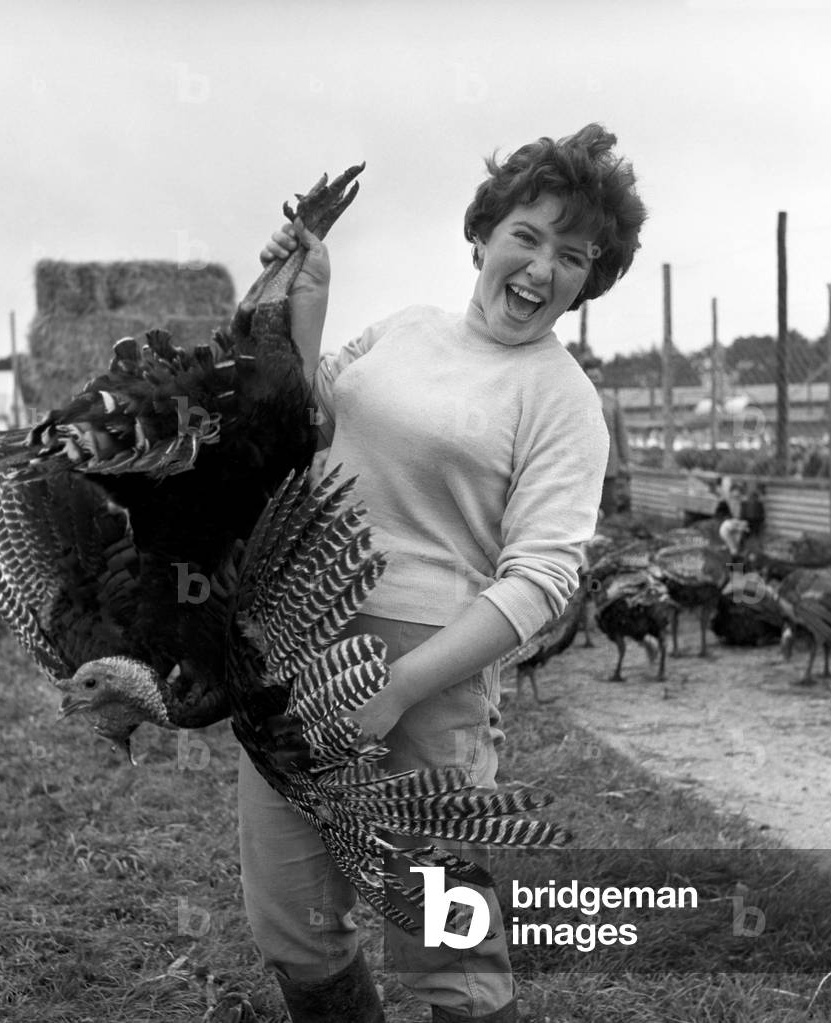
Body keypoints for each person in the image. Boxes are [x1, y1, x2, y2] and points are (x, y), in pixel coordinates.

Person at [240, 125, 648, 1023]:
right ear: (483, 234)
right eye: (527, 236)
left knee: (447, 948)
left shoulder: (561, 399)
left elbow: (541, 580)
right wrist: (305, 302)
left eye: (573, 256)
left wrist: (396, 690)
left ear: (590, 280)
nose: (541, 269)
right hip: (298, 650)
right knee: (293, 923)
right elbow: (296, 425)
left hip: (427, 676)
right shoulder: (402, 331)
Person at [580, 354, 630, 518]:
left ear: (601, 376)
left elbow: (621, 432)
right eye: (590, 376)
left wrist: (625, 460)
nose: (594, 379)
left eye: (597, 375)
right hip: (583, 465)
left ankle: (610, 530)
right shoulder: (575, 400)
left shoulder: (612, 402)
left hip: (609, 464)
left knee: (609, 504)